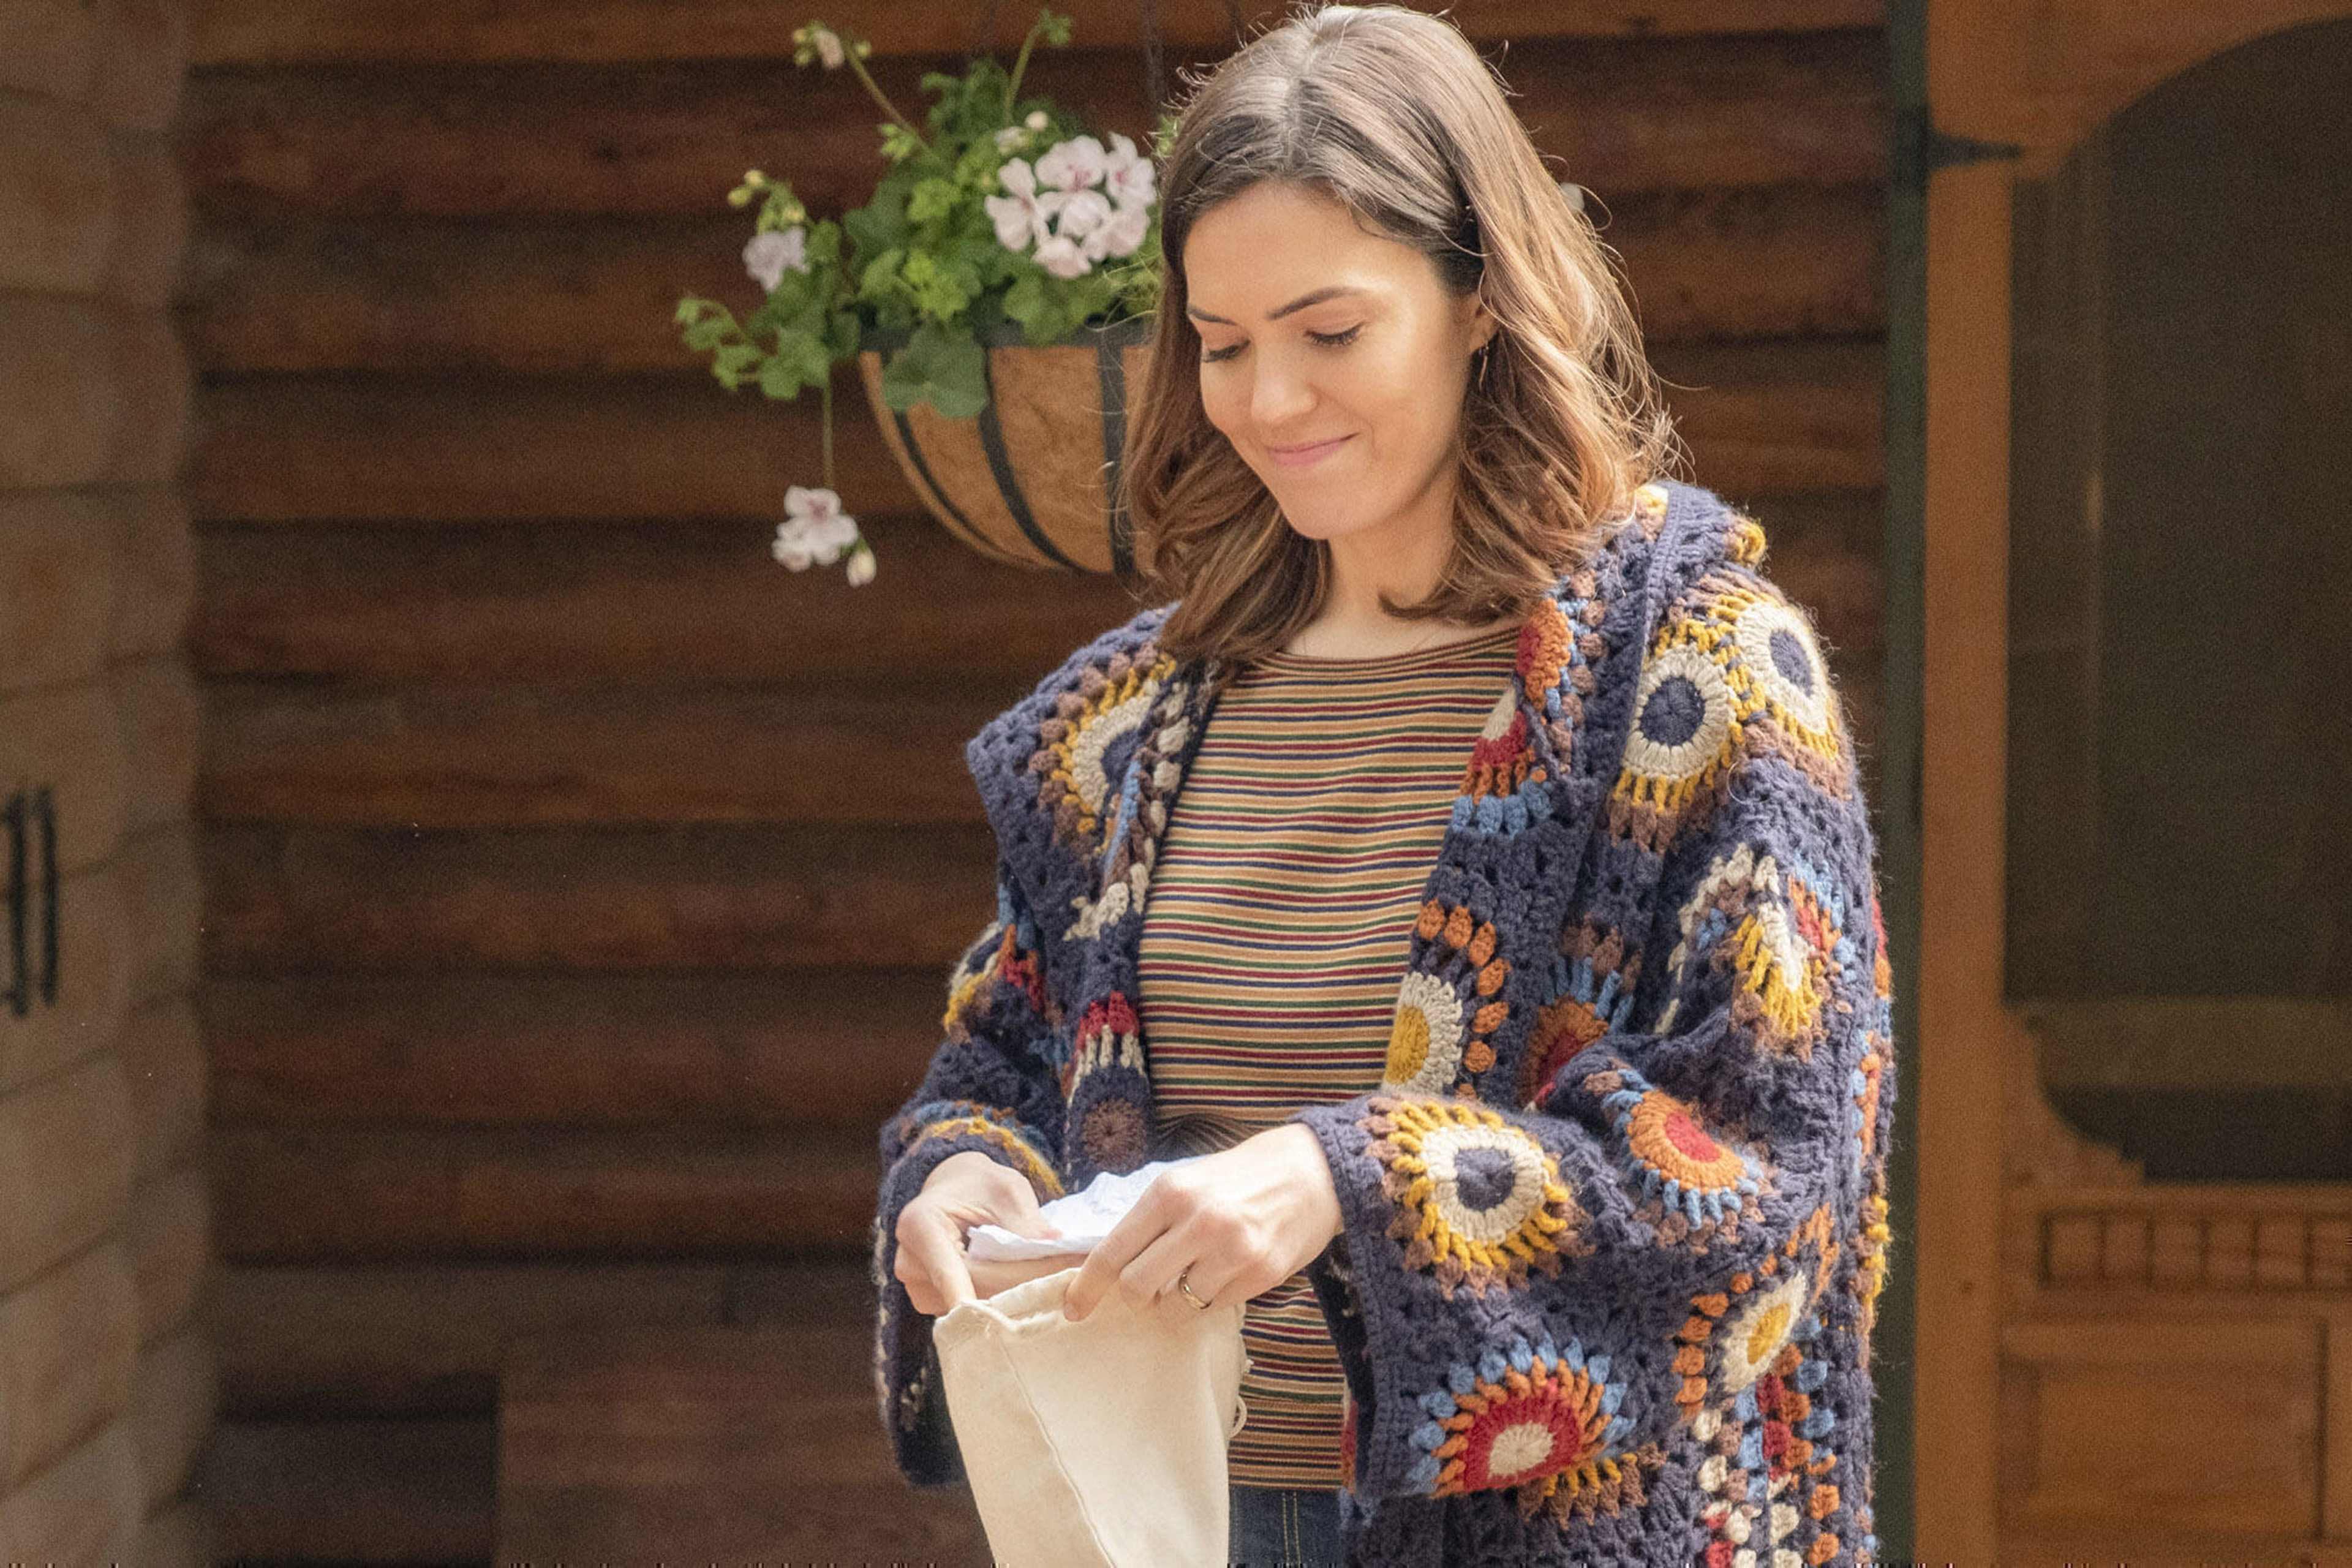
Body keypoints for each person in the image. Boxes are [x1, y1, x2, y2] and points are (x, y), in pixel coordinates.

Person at [871, 5, 1898, 1565]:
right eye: (1221, 344)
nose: (1270, 398)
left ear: (1478, 296)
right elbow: (1004, 1058)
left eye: (1328, 331)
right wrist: (962, 1173)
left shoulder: (1696, 682)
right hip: (1159, 1515)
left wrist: (1341, 1178)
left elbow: (1769, 1175)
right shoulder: (1129, 729)